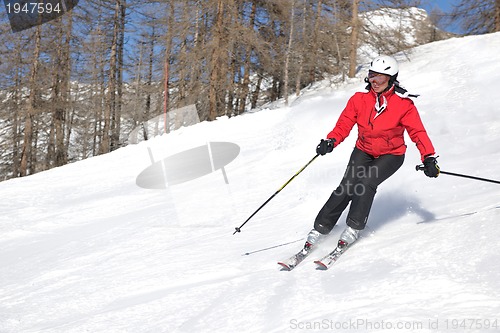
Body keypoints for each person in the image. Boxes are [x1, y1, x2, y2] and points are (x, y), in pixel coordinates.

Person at [303, 55, 440, 253]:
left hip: (391, 154)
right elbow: (344, 124)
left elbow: (417, 132)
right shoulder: (359, 100)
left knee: (366, 183)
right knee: (347, 186)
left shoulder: (404, 105)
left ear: (391, 79)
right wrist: (331, 140)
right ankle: (320, 228)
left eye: (380, 78)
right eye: (371, 76)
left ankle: (354, 227)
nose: (374, 81)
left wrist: (428, 157)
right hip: (364, 149)